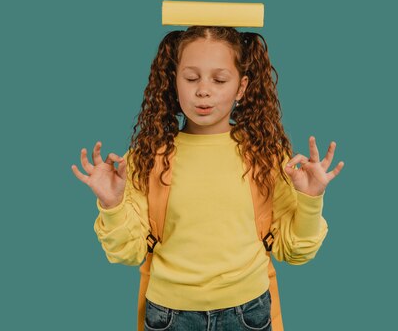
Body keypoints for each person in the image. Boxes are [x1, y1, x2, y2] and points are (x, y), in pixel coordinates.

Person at [71, 26, 344, 331]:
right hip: (169, 315)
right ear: (173, 82)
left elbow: (295, 253)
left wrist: (310, 199)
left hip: (249, 313)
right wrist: (112, 203)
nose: (203, 90)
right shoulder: (148, 157)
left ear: (241, 88)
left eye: (219, 79)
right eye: (191, 78)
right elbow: (127, 252)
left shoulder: (265, 156)